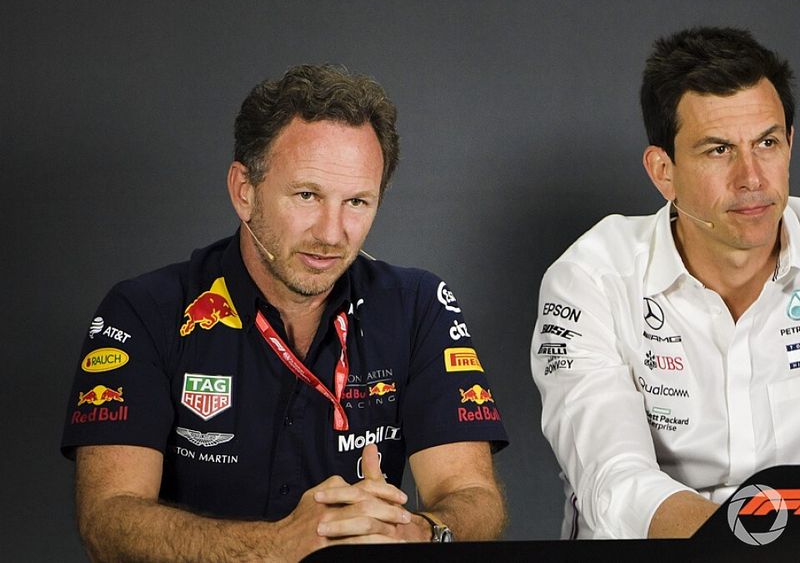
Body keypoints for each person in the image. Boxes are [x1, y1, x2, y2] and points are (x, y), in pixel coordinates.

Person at [62, 65, 508, 560]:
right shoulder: (144, 310)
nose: (332, 233)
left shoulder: (419, 304)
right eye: (307, 195)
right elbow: (107, 518)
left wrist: (417, 532)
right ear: (244, 191)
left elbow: (475, 497)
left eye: (357, 202)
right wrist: (276, 547)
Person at [530, 27, 800, 539]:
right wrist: (754, 545)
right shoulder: (588, 280)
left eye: (767, 143)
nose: (751, 177)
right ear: (664, 171)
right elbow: (615, 483)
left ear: (790, 144)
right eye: (718, 150)